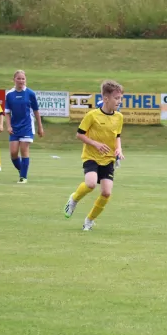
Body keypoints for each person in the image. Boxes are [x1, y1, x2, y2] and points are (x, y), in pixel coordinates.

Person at [64, 80, 125, 231]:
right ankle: (74, 199)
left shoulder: (119, 117)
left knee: (106, 192)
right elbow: (79, 135)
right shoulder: (92, 115)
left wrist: (119, 150)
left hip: (108, 158)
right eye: (116, 98)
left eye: (120, 98)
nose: (119, 101)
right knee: (91, 184)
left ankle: (89, 220)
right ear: (106, 98)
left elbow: (117, 136)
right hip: (91, 156)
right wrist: (96, 144)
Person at [5, 70, 44, 184]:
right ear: (14, 80)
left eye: (23, 79)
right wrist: (8, 126)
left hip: (27, 126)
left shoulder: (30, 93)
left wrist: (40, 127)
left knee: (24, 150)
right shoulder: (9, 94)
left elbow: (36, 111)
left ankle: (23, 177)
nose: (21, 81)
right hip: (14, 127)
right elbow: (7, 112)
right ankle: (22, 170)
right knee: (13, 153)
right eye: (19, 78)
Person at [96, 97, 123, 168]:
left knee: (113, 144)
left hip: (111, 126)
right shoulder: (100, 104)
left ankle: (116, 159)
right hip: (102, 127)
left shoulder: (117, 114)